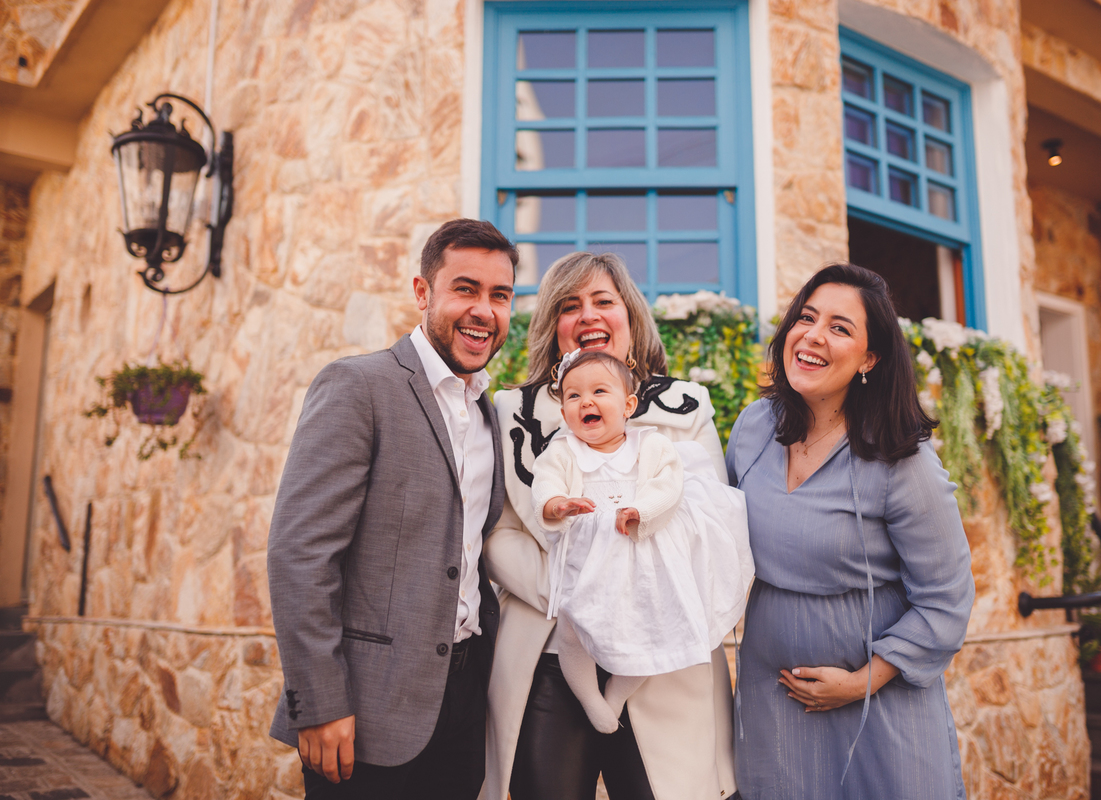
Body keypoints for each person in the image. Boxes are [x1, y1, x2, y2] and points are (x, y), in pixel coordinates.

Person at [266, 218, 518, 799]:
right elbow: (300, 554)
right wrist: (320, 701)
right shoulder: (359, 386)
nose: (484, 310)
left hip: (462, 706)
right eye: (465, 289)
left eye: (499, 295)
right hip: (365, 710)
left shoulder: (488, 414)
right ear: (422, 292)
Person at [482, 251, 740, 800]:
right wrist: (573, 589)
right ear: (553, 326)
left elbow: (713, 528)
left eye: (604, 301)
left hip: (663, 657)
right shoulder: (511, 412)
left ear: (630, 316)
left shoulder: (685, 405)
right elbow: (499, 534)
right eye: (570, 306)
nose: (589, 315)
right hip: (552, 653)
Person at [726, 263, 975, 799]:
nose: (814, 335)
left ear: (870, 357)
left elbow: (946, 598)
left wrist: (862, 682)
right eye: (807, 318)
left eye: (840, 327)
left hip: (879, 707)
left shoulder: (902, 460)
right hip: (775, 703)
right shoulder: (751, 430)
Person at [531, 350, 753, 734]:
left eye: (600, 391)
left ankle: (616, 694)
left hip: (638, 555)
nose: (586, 401)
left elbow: (670, 488)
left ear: (628, 405)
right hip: (585, 561)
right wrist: (557, 504)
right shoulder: (562, 451)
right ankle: (590, 698)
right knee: (572, 628)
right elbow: (544, 486)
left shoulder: (652, 446)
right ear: (564, 412)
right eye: (573, 396)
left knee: (650, 628)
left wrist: (642, 511)